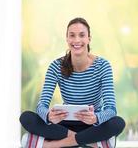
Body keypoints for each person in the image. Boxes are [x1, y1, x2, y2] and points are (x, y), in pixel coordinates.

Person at [20, 17, 125, 148]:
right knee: (26, 117)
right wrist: (48, 116)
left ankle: (51, 145)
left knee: (118, 123)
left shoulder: (103, 66)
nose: (77, 40)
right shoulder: (55, 66)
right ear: (67, 39)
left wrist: (96, 118)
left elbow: (111, 109)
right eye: (72, 35)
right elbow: (42, 105)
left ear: (89, 39)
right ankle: (95, 143)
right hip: (65, 124)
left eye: (82, 35)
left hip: (92, 125)